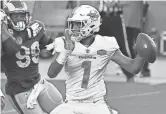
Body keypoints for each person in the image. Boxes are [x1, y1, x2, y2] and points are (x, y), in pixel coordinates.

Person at [46, 5, 152, 114]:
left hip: (96, 104)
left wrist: (142, 54)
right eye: (73, 24)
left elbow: (133, 67)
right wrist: (65, 52)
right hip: (71, 102)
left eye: (78, 24)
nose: (73, 28)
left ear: (90, 25)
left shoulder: (105, 43)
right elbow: (51, 74)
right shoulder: (64, 43)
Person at [1, 1, 63, 114]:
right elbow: (13, 47)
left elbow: (47, 44)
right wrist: (27, 33)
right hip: (19, 89)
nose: (20, 19)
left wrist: (57, 44)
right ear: (8, 18)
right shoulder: (5, 36)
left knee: (62, 109)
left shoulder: (35, 29)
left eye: (22, 15)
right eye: (15, 16)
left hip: (38, 82)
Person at [98, 0, 134, 82]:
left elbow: (128, 2)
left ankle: (130, 75)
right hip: (101, 17)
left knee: (121, 46)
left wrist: (116, 3)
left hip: (115, 18)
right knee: (93, 45)